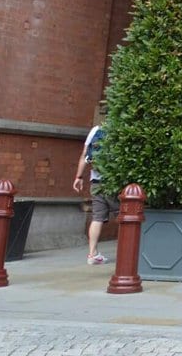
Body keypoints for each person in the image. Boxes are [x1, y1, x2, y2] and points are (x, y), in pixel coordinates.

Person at [72, 102, 113, 265]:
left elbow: (84, 155)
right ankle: (129, 251)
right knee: (126, 217)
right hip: (113, 181)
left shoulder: (95, 130)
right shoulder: (120, 130)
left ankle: (92, 254)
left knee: (97, 217)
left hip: (95, 180)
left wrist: (78, 177)